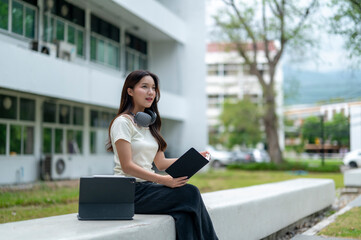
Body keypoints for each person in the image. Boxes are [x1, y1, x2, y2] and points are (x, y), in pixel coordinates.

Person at [107, 70, 218, 240]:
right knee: (190, 193)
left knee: (184, 213)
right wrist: (163, 180)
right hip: (129, 191)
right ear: (130, 91)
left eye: (153, 88)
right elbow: (126, 165)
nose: (151, 92)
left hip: (147, 188)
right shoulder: (122, 123)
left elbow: (160, 163)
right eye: (144, 87)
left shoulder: (150, 125)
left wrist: (194, 158)